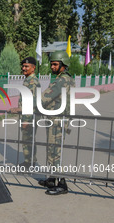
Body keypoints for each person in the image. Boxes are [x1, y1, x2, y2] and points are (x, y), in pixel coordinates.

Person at [38, 51, 75, 195]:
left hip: (57, 121)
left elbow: (45, 97)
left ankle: (62, 183)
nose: (52, 67)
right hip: (55, 119)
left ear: (63, 65)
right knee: (52, 150)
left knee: (55, 152)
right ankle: (52, 179)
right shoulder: (64, 78)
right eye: (52, 64)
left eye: (55, 64)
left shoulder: (62, 80)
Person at [10, 57, 41, 168]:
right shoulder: (28, 80)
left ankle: (29, 162)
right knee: (27, 139)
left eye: (26, 66)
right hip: (27, 114)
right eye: (23, 66)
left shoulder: (32, 82)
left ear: (33, 68)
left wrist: (20, 112)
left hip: (29, 115)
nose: (23, 68)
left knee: (27, 139)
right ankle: (30, 160)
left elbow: (31, 102)